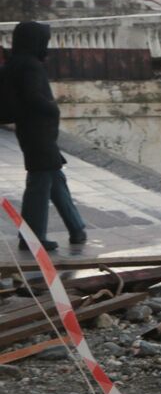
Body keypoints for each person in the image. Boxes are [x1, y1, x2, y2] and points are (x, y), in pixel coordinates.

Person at [1, 21, 86, 251]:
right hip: (38, 132)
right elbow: (33, 97)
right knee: (39, 184)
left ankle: (77, 228)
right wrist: (52, 109)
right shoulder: (30, 66)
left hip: (32, 132)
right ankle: (32, 237)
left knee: (55, 177)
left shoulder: (16, 63)